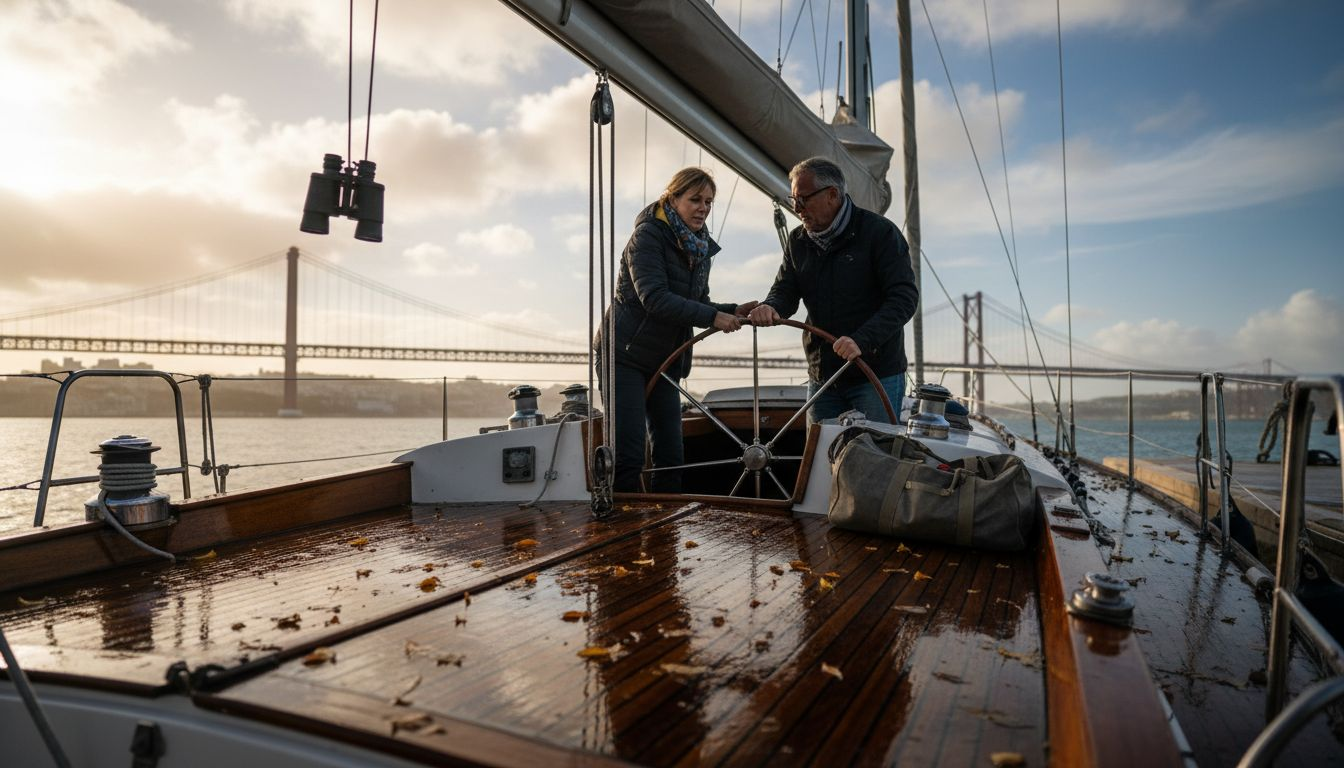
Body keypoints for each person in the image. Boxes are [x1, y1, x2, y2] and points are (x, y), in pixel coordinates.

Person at [596, 167, 757, 493]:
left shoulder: (700, 248)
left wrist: (731, 312)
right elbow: (654, 298)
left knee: (672, 456)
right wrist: (713, 318)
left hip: (667, 360)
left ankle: (662, 538)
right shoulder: (648, 236)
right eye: (695, 199)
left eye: (709, 202)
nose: (703, 208)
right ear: (672, 198)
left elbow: (698, 302)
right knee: (628, 455)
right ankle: (622, 533)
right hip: (624, 356)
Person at [748, 157, 918, 425]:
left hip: (875, 375)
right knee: (819, 460)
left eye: (803, 199)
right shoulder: (798, 241)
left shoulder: (880, 233)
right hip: (823, 377)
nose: (797, 208)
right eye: (793, 200)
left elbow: (904, 299)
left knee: (875, 460)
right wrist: (771, 306)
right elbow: (785, 291)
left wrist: (861, 340)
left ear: (832, 195)